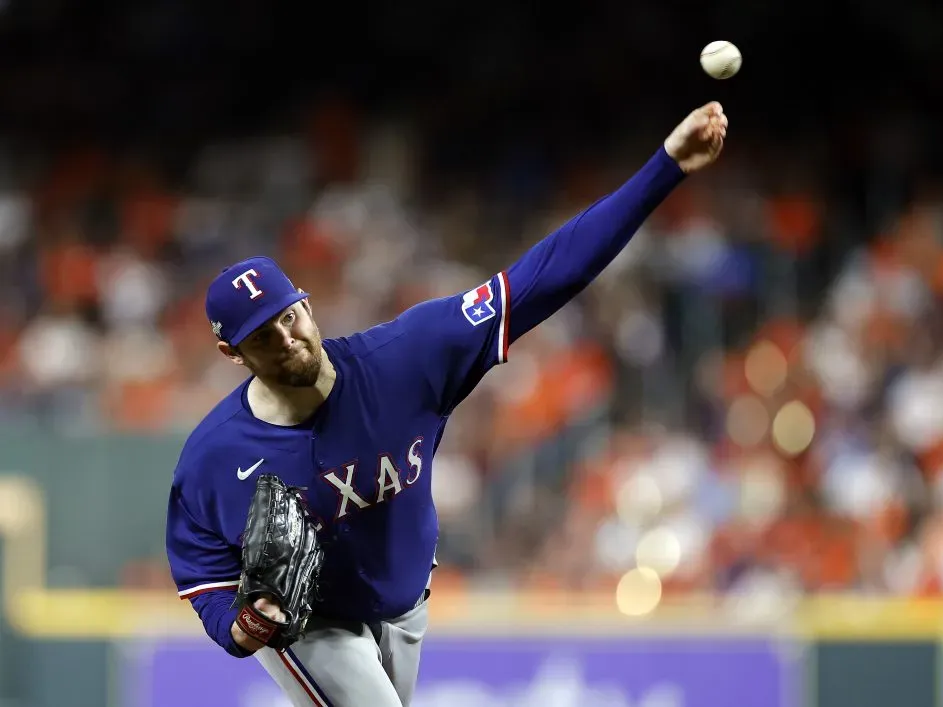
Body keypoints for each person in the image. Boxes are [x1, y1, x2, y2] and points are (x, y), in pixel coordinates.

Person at [165, 100, 728, 706]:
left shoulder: (408, 357)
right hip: (312, 627)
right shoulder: (214, 458)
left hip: (405, 605)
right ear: (233, 354)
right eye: (262, 336)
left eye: (288, 316)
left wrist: (665, 166)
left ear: (306, 305)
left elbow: (548, 273)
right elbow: (203, 579)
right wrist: (245, 626)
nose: (286, 337)